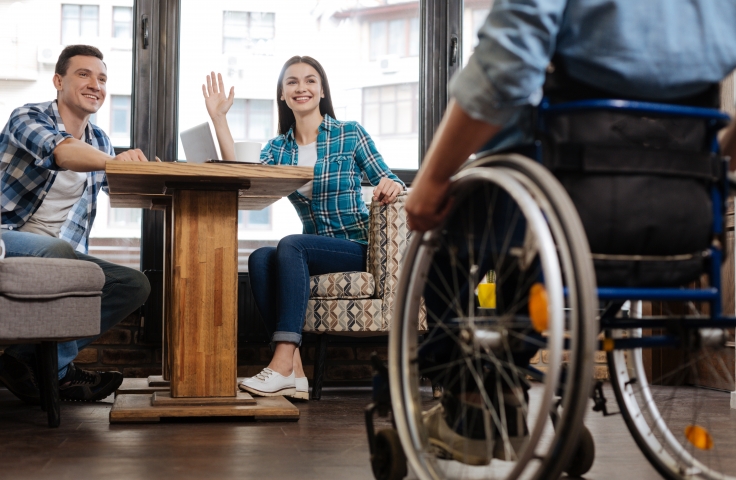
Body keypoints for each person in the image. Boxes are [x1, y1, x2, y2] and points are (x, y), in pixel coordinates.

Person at [405, 0, 736, 466]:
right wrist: (715, 166)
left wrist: (434, 176)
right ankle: (502, 391)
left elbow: (505, 64)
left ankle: (471, 406)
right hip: (686, 216)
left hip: (570, 196)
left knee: (449, 220)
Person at [202, 56, 404, 400]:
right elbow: (241, 174)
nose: (301, 88)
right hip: (313, 253)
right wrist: (219, 118)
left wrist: (391, 185)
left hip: (355, 248)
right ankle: (294, 370)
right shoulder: (278, 149)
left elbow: (390, 178)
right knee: (261, 258)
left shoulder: (349, 134)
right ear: (282, 94)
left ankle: (280, 363)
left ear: (321, 90)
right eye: (292, 82)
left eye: (310, 80)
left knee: (290, 244)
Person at [0, 45, 152, 403]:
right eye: (83, 74)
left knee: (133, 284)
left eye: (101, 78)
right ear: (58, 81)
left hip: (60, 252)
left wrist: (147, 173)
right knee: (58, 249)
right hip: (8, 240)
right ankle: (59, 371)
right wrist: (114, 162)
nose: (94, 84)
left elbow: (120, 195)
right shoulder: (28, 117)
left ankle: (24, 361)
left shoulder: (99, 140)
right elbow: (62, 151)